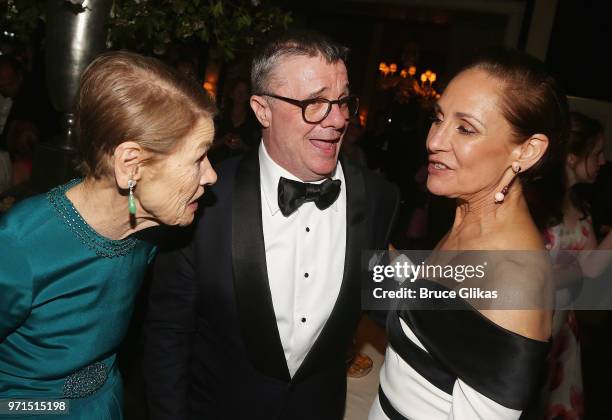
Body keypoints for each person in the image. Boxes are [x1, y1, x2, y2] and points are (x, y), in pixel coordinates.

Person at [143, 31, 399, 420]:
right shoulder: (205, 198)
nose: (339, 119)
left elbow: (391, 301)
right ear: (262, 110)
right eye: (315, 103)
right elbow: (168, 333)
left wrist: (503, 286)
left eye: (343, 101)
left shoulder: (380, 197)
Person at [0, 51, 217, 419]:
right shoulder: (18, 247)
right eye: (198, 158)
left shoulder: (150, 232)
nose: (210, 175)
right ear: (130, 165)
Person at [369, 49, 570, 419]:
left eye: (465, 128)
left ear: (527, 150)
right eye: (438, 118)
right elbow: (437, 321)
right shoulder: (466, 222)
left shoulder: (513, 279)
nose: (434, 141)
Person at [542, 112, 612, 419]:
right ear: (571, 157)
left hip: (563, 330)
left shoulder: (579, 205)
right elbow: (530, 278)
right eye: (596, 153)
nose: (603, 160)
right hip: (535, 323)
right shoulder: (535, 204)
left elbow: (593, 267)